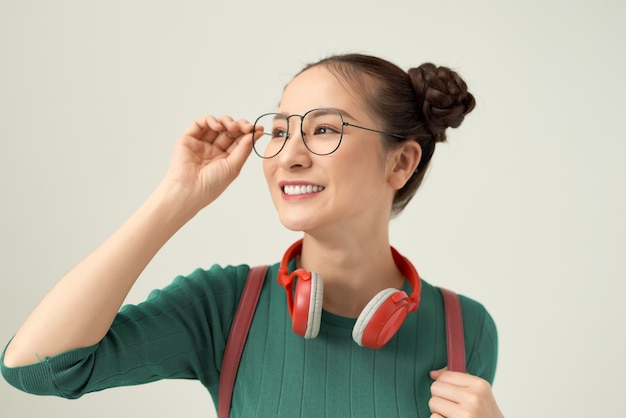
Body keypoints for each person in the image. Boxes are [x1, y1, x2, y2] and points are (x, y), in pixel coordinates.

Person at [1, 53, 504, 417]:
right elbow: (36, 368)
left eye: (325, 130)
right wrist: (176, 198)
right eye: (281, 132)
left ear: (400, 161)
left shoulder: (466, 331)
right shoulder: (225, 307)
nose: (289, 155)